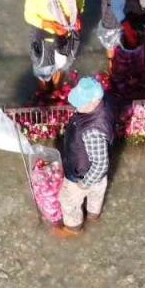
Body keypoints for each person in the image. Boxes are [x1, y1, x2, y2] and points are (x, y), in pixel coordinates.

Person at [54, 76, 116, 238]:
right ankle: (93, 217)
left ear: (95, 101)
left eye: (81, 103)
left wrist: (84, 184)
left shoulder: (92, 130)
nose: (77, 106)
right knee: (96, 195)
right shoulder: (104, 104)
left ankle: (73, 229)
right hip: (99, 178)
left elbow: (100, 164)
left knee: (69, 202)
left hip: (82, 175)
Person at [24, 0, 84, 89]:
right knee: (44, 70)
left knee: (62, 64)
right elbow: (29, 16)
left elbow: (80, 3)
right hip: (45, 38)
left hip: (68, 35)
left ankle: (56, 88)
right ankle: (45, 91)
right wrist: (51, 25)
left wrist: (77, 16)